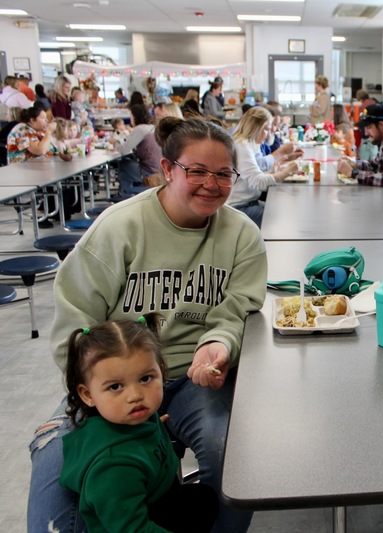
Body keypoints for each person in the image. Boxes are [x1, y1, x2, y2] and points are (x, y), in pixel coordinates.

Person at [28, 116, 268, 533]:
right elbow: (75, 320)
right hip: (119, 378)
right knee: (55, 466)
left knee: (231, 451)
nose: (211, 184)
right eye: (196, 171)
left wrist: (219, 344)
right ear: (169, 168)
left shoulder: (242, 235)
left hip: (194, 379)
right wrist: (102, 395)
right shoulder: (120, 228)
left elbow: (239, 307)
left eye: (223, 174)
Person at [60, 314, 219, 532]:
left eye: (145, 379)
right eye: (115, 387)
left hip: (161, 497)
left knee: (204, 500)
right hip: (144, 523)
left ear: (161, 372)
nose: (135, 395)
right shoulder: (113, 468)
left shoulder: (136, 418)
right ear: (87, 394)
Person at [227, 106, 300, 225]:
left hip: (249, 202)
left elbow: (251, 177)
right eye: (265, 128)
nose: (267, 134)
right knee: (280, 216)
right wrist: (287, 172)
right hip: (238, 208)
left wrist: (273, 172)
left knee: (281, 206)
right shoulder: (242, 146)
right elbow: (258, 182)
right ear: (255, 127)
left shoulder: (251, 143)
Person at [111, 103, 161, 200]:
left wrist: (115, 142)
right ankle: (126, 192)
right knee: (128, 160)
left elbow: (123, 150)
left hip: (149, 171)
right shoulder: (152, 127)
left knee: (124, 163)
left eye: (131, 116)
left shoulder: (140, 129)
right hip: (157, 168)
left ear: (135, 117)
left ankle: (124, 194)